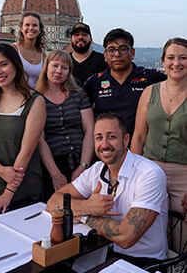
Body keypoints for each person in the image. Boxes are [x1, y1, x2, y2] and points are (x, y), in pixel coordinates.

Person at [47, 112, 168, 269]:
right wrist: (87, 207)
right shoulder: (97, 169)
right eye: (99, 138)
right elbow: (53, 201)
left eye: (111, 137)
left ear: (126, 140)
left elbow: (126, 237)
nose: (104, 145)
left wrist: (85, 217)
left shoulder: (150, 174)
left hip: (142, 262)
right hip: (101, 251)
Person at [0, 43, 46, 214]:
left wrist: (7, 193)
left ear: (15, 65)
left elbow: (26, 152)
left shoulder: (35, 101)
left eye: (4, 64)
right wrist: (1, 171)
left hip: (22, 190)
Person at [131, 37, 187, 252]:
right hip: (150, 171)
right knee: (149, 236)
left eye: (183, 58)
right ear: (163, 61)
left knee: (182, 240)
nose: (176, 63)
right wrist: (134, 174)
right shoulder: (149, 92)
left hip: (183, 175)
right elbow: (138, 137)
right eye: (171, 57)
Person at [84, 28, 166, 138]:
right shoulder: (94, 82)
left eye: (123, 49)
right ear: (105, 55)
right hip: (106, 148)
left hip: (143, 148)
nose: (117, 54)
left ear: (132, 53)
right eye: (111, 50)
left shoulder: (150, 77)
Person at [36, 50, 94, 201]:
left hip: (81, 159)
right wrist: (55, 173)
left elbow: (90, 130)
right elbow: (39, 139)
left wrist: (83, 167)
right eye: (55, 66)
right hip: (52, 163)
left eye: (64, 67)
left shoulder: (79, 95)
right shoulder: (36, 98)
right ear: (46, 67)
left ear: (69, 72)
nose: (59, 71)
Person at [12, 12, 46, 88]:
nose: (30, 28)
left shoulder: (43, 55)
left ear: (40, 29)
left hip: (36, 97)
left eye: (34, 25)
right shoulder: (13, 49)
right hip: (17, 96)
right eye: (27, 25)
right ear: (21, 29)